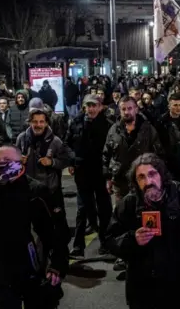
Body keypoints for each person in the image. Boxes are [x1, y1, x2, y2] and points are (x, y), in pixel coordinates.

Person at [0, 145, 68, 309]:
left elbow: (55, 231)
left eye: (7, 160)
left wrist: (57, 265)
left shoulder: (36, 192)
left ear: (21, 162)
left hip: (32, 272)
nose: (1, 163)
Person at [106, 153, 180, 309]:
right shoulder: (129, 204)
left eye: (152, 174)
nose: (148, 181)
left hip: (178, 288)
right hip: (143, 291)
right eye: (141, 177)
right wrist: (132, 239)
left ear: (162, 175)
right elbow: (110, 239)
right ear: (136, 182)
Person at [67, 94, 114, 258]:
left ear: (100, 107)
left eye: (95, 105)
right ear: (84, 107)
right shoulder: (75, 123)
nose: (92, 109)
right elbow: (68, 144)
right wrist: (73, 162)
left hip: (100, 173)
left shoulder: (108, 125)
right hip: (82, 173)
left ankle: (106, 243)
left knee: (104, 209)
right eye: (89, 105)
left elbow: (112, 149)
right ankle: (78, 247)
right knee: (83, 209)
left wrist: (110, 172)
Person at [15, 106, 72, 239]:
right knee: (31, 228)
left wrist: (51, 162)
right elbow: (13, 161)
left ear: (46, 123)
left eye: (41, 122)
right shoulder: (22, 139)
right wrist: (18, 161)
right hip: (28, 191)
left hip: (50, 191)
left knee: (56, 226)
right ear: (29, 122)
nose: (38, 125)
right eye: (35, 122)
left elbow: (65, 161)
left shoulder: (55, 141)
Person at [103, 96, 164, 201]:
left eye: (130, 108)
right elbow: (106, 154)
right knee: (121, 214)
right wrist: (108, 178)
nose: (127, 112)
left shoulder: (148, 129)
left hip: (143, 181)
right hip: (120, 181)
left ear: (136, 109)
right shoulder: (113, 130)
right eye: (123, 109)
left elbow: (158, 154)